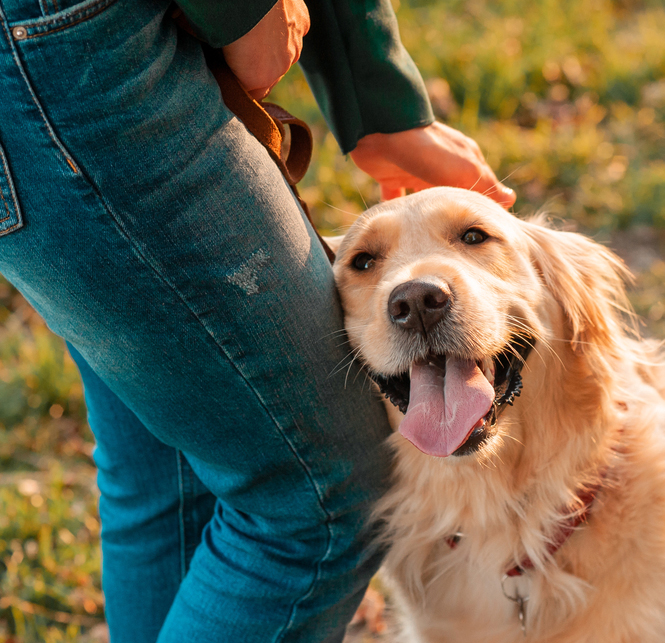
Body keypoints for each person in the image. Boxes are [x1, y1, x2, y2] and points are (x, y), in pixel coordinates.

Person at [0, 0, 514, 640]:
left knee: (173, 469)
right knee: (318, 497)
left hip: (55, 54)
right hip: (67, 56)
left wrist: (375, 95)